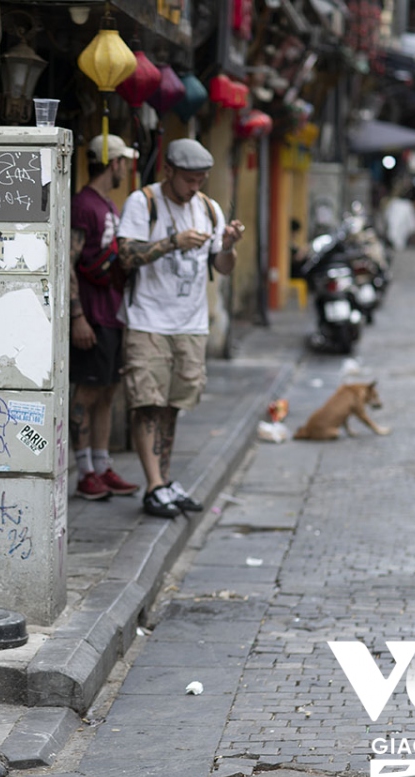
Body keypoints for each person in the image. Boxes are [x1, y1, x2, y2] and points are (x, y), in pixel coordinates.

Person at [115, 139, 245, 518]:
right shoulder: (144, 202)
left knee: (174, 404)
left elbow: (222, 267)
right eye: (189, 180)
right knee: (147, 403)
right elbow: (126, 254)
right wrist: (173, 242)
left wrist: (229, 245)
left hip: (190, 323)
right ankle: (154, 485)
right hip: (148, 321)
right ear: (168, 171)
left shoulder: (208, 208)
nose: (194, 188)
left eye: (201, 181)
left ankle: (166, 480)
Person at [69, 134, 140, 501]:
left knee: (109, 391)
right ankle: (83, 471)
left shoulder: (109, 205)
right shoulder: (84, 205)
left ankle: (102, 463)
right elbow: (69, 261)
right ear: (114, 163)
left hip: (113, 313)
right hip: (92, 316)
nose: (126, 168)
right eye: (125, 162)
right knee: (88, 391)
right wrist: (77, 315)